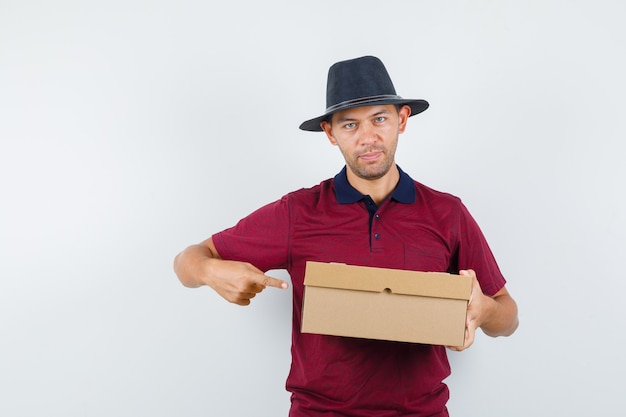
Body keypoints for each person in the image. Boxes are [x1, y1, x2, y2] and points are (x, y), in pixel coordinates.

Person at [173, 55, 519, 416]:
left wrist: (485, 310)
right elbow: (188, 260)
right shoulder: (298, 212)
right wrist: (211, 273)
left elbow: (508, 316)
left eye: (379, 119)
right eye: (350, 125)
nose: (368, 138)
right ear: (330, 133)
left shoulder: (447, 213)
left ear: (402, 120)